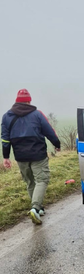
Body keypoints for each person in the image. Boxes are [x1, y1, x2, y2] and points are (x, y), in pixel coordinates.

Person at [2, 89, 61, 225]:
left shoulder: (6, 117)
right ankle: (35, 208)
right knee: (42, 180)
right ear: (29, 101)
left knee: (30, 182)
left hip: (20, 156)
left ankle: (39, 208)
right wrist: (57, 144)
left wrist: (6, 157)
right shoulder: (37, 115)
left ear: (17, 101)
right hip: (38, 154)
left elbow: (5, 139)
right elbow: (49, 132)